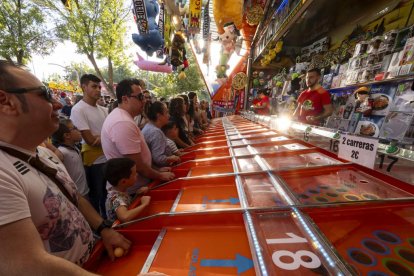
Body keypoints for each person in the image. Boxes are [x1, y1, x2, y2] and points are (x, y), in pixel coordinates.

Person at [0, 60, 130, 274]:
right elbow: (28, 264)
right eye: (44, 93)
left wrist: (103, 228)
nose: (58, 104)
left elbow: (75, 196)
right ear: (5, 101)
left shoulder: (44, 154)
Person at [101, 78, 175, 195]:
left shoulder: (123, 117)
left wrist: (156, 169)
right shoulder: (122, 122)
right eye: (140, 97)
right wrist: (159, 175)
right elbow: (137, 164)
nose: (145, 101)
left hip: (138, 186)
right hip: (132, 191)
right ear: (125, 99)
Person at [70, 74, 108, 218]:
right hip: (94, 161)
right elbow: (90, 140)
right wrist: (106, 136)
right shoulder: (78, 109)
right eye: (94, 86)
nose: (98, 90)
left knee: (108, 194)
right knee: (97, 196)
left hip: (109, 157)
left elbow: (111, 135)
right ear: (84, 87)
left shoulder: (104, 109)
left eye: (99, 87)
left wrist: (102, 137)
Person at [104, 158, 151, 223]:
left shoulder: (120, 191)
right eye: (134, 174)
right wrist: (144, 204)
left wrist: (137, 194)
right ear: (123, 181)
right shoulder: (115, 198)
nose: (137, 174)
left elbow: (127, 205)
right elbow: (125, 217)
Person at [52, 118, 89, 197]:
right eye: (74, 128)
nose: (79, 130)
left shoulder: (75, 147)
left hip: (84, 191)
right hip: (75, 195)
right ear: (67, 135)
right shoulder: (61, 152)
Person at [142, 101, 181, 167]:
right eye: (166, 113)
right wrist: (172, 158)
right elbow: (158, 158)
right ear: (159, 116)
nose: (169, 115)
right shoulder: (155, 132)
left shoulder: (149, 127)